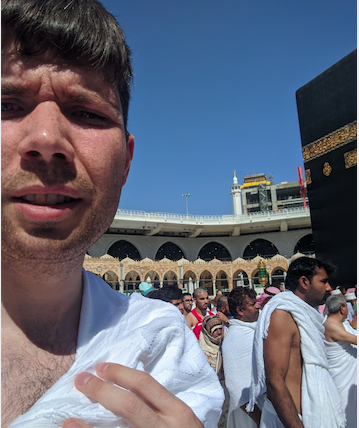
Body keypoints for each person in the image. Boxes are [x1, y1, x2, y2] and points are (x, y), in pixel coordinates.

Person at [1, 1, 224, 427]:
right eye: (7, 103)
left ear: (125, 163)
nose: (47, 139)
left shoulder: (159, 345)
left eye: (87, 113)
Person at [248, 257, 346, 428]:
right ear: (304, 282)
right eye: (323, 281)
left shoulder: (305, 315)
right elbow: (275, 381)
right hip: (291, 421)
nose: (329, 287)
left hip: (312, 416)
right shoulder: (282, 315)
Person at [222, 286, 264, 428]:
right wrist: (260, 419)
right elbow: (236, 388)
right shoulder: (235, 340)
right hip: (250, 414)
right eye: (252, 304)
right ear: (240, 310)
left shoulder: (257, 330)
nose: (258, 306)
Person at [324, 294, 357, 427]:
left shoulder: (340, 323)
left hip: (349, 375)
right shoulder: (331, 325)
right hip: (341, 378)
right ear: (342, 308)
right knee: (345, 411)